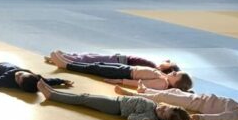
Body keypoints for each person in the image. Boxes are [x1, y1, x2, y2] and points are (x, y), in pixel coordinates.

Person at [36, 80, 191, 120]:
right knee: (84, 96)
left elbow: (131, 118)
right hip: (116, 100)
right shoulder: (154, 106)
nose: (162, 108)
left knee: (83, 99)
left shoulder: (150, 115)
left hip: (115, 107)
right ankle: (54, 92)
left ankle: (52, 95)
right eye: (165, 107)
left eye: (163, 113)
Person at [115, 85, 238, 120]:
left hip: (195, 103)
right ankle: (146, 90)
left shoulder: (235, 115)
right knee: (172, 91)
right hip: (199, 97)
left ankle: (133, 94)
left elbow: (218, 118)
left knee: (165, 97)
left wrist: (201, 117)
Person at [48, 52, 192, 91]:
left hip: (124, 74)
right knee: (98, 64)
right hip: (127, 69)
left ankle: (66, 65)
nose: (173, 72)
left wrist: (120, 81)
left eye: (175, 75)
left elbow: (140, 83)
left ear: (176, 83)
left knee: (95, 68)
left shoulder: (162, 84)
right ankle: (70, 62)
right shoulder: (164, 78)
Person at [46, 51, 181, 73]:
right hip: (118, 58)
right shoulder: (153, 67)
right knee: (90, 55)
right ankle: (67, 56)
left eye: (167, 63)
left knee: (89, 59)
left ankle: (65, 59)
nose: (166, 61)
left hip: (117, 61)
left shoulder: (153, 68)